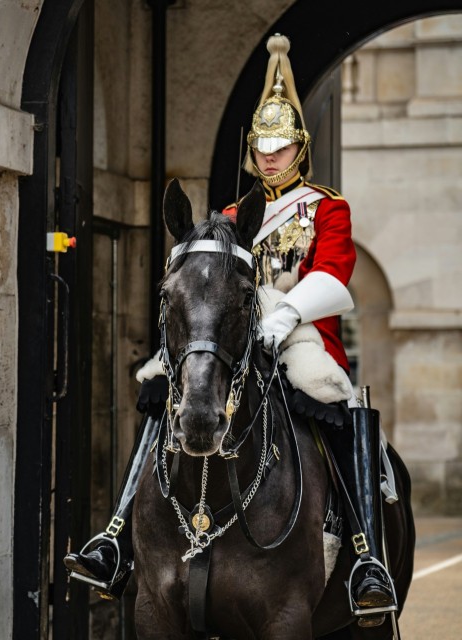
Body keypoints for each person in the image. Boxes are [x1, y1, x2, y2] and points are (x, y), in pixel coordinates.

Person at [65, 33, 397, 625]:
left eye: (282, 147)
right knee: (162, 390)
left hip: (298, 334)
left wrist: (286, 315)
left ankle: (368, 556)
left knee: (334, 404)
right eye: (262, 148)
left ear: (300, 147)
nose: (271, 158)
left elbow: (333, 273)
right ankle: (116, 537)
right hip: (231, 333)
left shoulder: (326, 207)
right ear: (251, 149)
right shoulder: (226, 217)